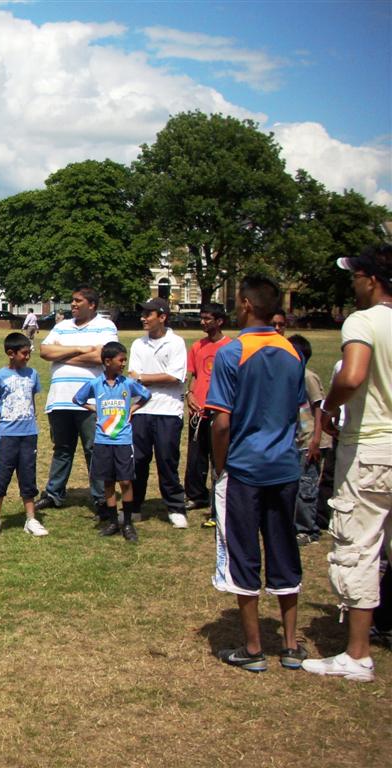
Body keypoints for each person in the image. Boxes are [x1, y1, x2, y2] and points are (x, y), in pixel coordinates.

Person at [206, 276, 306, 673]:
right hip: (284, 467)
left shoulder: (232, 353)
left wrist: (219, 467)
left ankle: (252, 649)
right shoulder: (292, 352)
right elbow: (295, 412)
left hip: (245, 469)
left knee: (242, 553)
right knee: (284, 549)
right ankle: (292, 644)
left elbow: (221, 423)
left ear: (245, 304)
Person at [303, 245, 392, 683]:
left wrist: (330, 408)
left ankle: (357, 654)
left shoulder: (364, 320)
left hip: (373, 450)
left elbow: (353, 374)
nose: (352, 283)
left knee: (359, 546)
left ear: (371, 279)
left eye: (355, 276)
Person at [36, 286, 118, 519]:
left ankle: (101, 498)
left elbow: (102, 357)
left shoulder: (105, 326)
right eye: (72, 300)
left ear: (91, 304)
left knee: (94, 449)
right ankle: (53, 494)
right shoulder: (61, 326)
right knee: (62, 449)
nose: (72, 304)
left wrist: (63, 353)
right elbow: (44, 351)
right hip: (60, 399)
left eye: (77, 301)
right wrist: (82, 349)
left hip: (91, 401)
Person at [72, 341, 151, 543]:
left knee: (125, 481)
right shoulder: (95, 384)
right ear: (107, 361)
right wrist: (95, 409)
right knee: (107, 481)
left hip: (123, 439)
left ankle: (127, 523)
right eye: (121, 360)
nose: (124, 363)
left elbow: (146, 395)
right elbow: (78, 399)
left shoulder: (128, 383)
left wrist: (133, 409)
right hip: (103, 439)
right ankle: (113, 521)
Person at [128, 297, 188, 528]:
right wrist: (145, 379)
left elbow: (175, 377)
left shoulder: (176, 343)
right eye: (142, 314)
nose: (143, 318)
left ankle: (175, 508)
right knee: (138, 461)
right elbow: (133, 378)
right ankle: (134, 506)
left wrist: (144, 378)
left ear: (162, 317)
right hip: (141, 410)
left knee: (167, 460)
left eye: (148, 314)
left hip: (168, 411)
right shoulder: (138, 344)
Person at [0, 332, 46, 538]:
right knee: (1, 475)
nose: (27, 357)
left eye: (29, 353)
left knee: (28, 476)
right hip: (7, 434)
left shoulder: (33, 374)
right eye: (24, 353)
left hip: (29, 434)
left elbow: (31, 399)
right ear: (11, 353)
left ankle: (31, 519)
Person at [183, 303, 231, 526]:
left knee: (218, 457)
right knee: (196, 455)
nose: (203, 322)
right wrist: (190, 395)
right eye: (201, 318)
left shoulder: (230, 347)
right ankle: (195, 495)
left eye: (207, 319)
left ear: (219, 321)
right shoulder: (197, 346)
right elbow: (193, 375)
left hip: (219, 409)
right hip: (198, 410)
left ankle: (218, 501)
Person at [286, 334, 331, 546]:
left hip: (311, 442)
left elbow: (319, 408)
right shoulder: (291, 377)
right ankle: (296, 524)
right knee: (296, 484)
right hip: (297, 441)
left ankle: (307, 529)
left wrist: (316, 439)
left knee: (306, 487)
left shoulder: (307, 376)